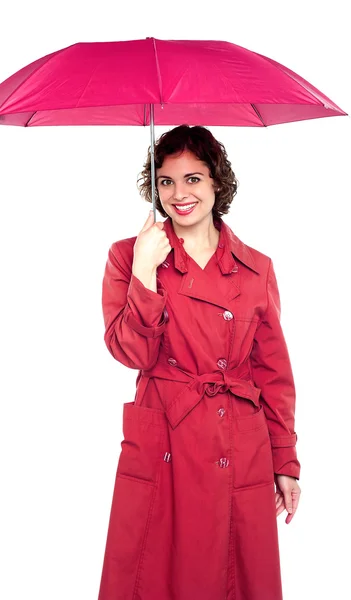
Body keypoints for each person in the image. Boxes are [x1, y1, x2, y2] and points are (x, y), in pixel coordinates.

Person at [98, 125, 301, 600]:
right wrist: (146, 271)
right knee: (154, 576)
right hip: (165, 436)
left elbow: (272, 372)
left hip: (238, 443)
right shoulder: (129, 256)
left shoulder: (256, 267)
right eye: (166, 181)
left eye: (193, 178)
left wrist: (285, 462)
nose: (179, 194)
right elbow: (131, 352)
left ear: (216, 183)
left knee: (231, 577)